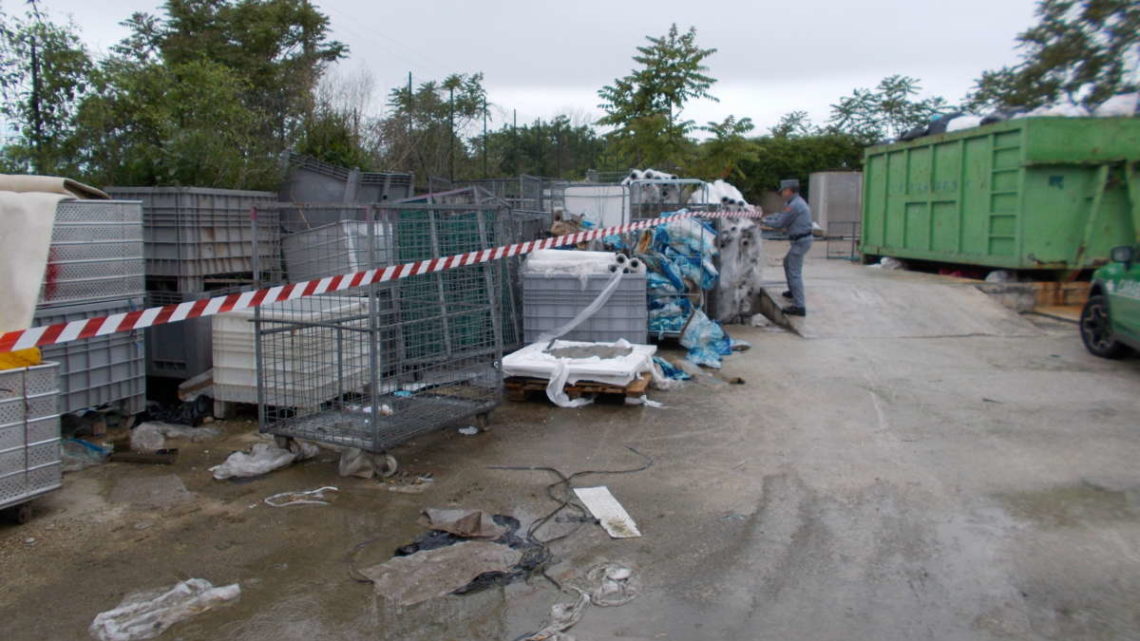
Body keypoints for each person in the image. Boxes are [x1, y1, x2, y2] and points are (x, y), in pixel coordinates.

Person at [761, 179, 813, 316]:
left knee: (794, 271)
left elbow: (780, 223)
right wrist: (766, 217)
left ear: (790, 190)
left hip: (801, 241)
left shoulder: (795, 205)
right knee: (788, 263)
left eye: (783, 191)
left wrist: (763, 221)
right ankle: (793, 291)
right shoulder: (793, 203)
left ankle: (799, 306)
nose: (782, 193)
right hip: (800, 240)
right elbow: (780, 216)